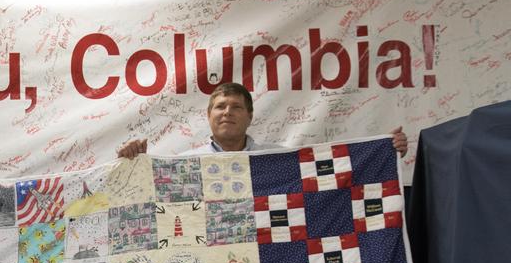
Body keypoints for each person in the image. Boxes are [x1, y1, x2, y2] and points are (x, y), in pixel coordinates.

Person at [116, 82, 408, 158]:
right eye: (219, 107)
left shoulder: (277, 159)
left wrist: (385, 151)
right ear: (208, 116)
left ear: (250, 116)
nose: (227, 112)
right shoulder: (188, 163)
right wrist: (133, 162)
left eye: (235, 107)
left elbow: (336, 177)